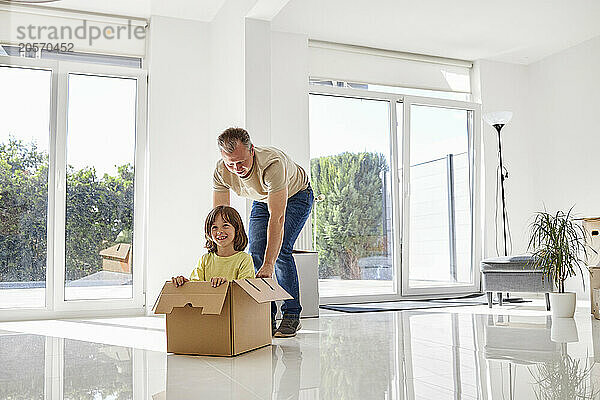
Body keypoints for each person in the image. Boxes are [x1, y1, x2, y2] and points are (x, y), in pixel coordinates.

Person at [213, 127, 314, 338]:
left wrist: (269, 264)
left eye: (241, 162)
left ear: (252, 150)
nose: (237, 168)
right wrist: (221, 257)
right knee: (255, 252)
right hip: (262, 199)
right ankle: (266, 314)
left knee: (280, 252)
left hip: (296, 196)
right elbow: (221, 217)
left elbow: (277, 218)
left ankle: (291, 315)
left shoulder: (272, 163)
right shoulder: (222, 171)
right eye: (231, 163)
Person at [171, 205, 255, 288]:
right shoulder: (205, 260)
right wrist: (184, 283)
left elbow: (245, 292)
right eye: (214, 227)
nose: (219, 231)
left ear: (237, 229)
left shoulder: (244, 259)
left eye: (225, 225)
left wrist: (225, 286)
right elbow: (195, 288)